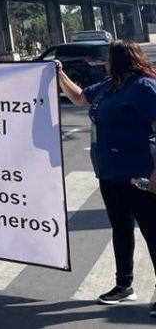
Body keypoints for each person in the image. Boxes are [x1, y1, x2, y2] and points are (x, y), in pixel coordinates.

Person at [58, 39, 156, 313]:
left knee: (153, 233)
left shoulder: (145, 88)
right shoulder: (109, 86)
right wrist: (59, 74)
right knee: (121, 230)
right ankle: (124, 286)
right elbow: (78, 98)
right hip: (110, 173)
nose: (104, 62)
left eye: (108, 57)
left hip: (140, 173)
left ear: (121, 59)